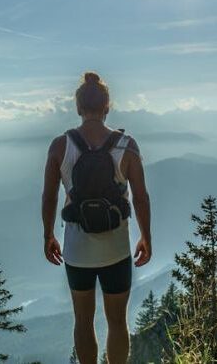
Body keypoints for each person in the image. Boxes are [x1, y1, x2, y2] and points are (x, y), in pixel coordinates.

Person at [42, 71, 151, 364]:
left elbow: (49, 196)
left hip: (77, 251)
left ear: (78, 108)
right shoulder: (127, 145)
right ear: (107, 107)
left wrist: (48, 235)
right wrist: (146, 237)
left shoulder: (59, 146)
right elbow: (140, 197)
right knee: (117, 323)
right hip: (116, 248)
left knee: (83, 321)